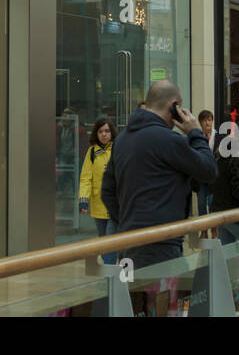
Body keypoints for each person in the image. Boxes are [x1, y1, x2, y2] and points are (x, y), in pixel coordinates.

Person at [100, 80, 216, 273]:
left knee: (132, 301)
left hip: (128, 245)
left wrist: (127, 224)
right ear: (174, 107)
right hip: (163, 246)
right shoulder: (170, 140)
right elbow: (209, 170)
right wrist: (195, 132)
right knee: (167, 301)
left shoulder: (121, 140)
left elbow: (107, 191)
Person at [78, 117, 117, 263]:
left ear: (112, 132)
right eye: (100, 131)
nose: (104, 134)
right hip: (98, 205)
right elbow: (85, 178)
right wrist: (83, 200)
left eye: (107, 131)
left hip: (115, 205)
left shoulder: (118, 149)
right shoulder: (92, 152)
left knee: (110, 242)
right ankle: (110, 277)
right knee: (103, 242)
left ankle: (111, 276)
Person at [209, 121, 239, 245]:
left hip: (220, 209)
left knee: (227, 250)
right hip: (232, 211)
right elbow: (237, 189)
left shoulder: (220, 156)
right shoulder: (236, 158)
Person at [196, 110, 216, 216]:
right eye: (204, 121)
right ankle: (203, 230)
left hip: (213, 176)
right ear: (200, 123)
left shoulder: (218, 137)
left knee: (212, 202)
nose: (207, 123)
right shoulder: (197, 137)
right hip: (201, 176)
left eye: (209, 120)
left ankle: (213, 229)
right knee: (201, 203)